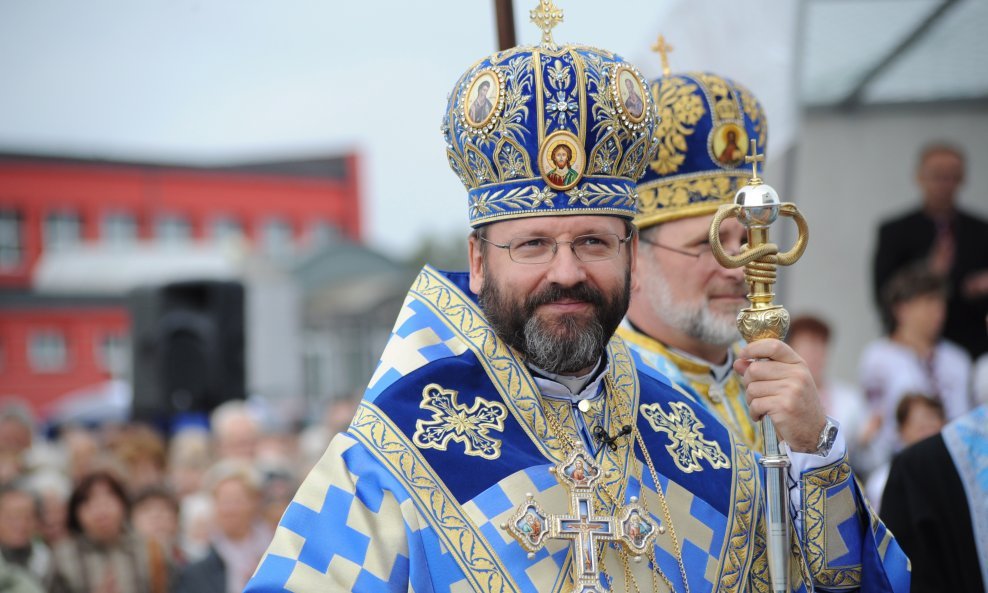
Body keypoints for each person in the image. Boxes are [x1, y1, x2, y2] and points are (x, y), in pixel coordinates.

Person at [246, 11, 908, 593]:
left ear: (628, 252)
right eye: (533, 243)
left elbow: (840, 580)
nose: (567, 272)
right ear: (478, 262)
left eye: (592, 240)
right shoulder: (393, 454)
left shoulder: (695, 442)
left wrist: (817, 454)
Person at [619, 69, 770, 451]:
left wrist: (817, 441)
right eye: (708, 243)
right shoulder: (610, 390)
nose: (736, 266)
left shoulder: (770, 377)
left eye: (748, 239)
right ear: (633, 256)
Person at [872, 142, 988, 360]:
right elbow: (883, 293)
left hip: (972, 344)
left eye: (952, 177)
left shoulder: (981, 231)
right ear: (920, 177)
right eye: (938, 176)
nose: (945, 185)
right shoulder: (895, 231)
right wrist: (927, 271)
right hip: (911, 348)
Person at [859, 264, 971, 471]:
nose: (938, 311)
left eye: (941, 303)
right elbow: (876, 426)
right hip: (895, 465)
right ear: (902, 309)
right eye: (928, 302)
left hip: (953, 464)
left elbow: (962, 417)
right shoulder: (878, 357)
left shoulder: (958, 359)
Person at [881, 404, 988, 593]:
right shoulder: (914, 468)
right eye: (918, 424)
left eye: (931, 420)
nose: (926, 428)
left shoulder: (916, 465)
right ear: (901, 431)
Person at [49, 471, 169, 593]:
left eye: (108, 499)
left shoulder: (149, 550)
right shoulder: (63, 557)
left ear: (123, 504)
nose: (101, 509)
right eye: (90, 502)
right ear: (77, 513)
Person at [786, 315, 872, 470]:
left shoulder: (850, 397)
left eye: (821, 346)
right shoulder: (782, 398)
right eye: (809, 346)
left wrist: (864, 442)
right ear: (791, 349)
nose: (816, 354)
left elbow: (868, 457)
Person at [172, 461, 271, 593]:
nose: (230, 510)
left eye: (237, 501)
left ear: (254, 502)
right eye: (224, 501)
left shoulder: (272, 548)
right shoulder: (198, 556)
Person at [864, 394, 945, 512]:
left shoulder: (956, 472)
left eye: (933, 427)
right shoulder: (881, 483)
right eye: (921, 428)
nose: (929, 435)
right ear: (902, 431)